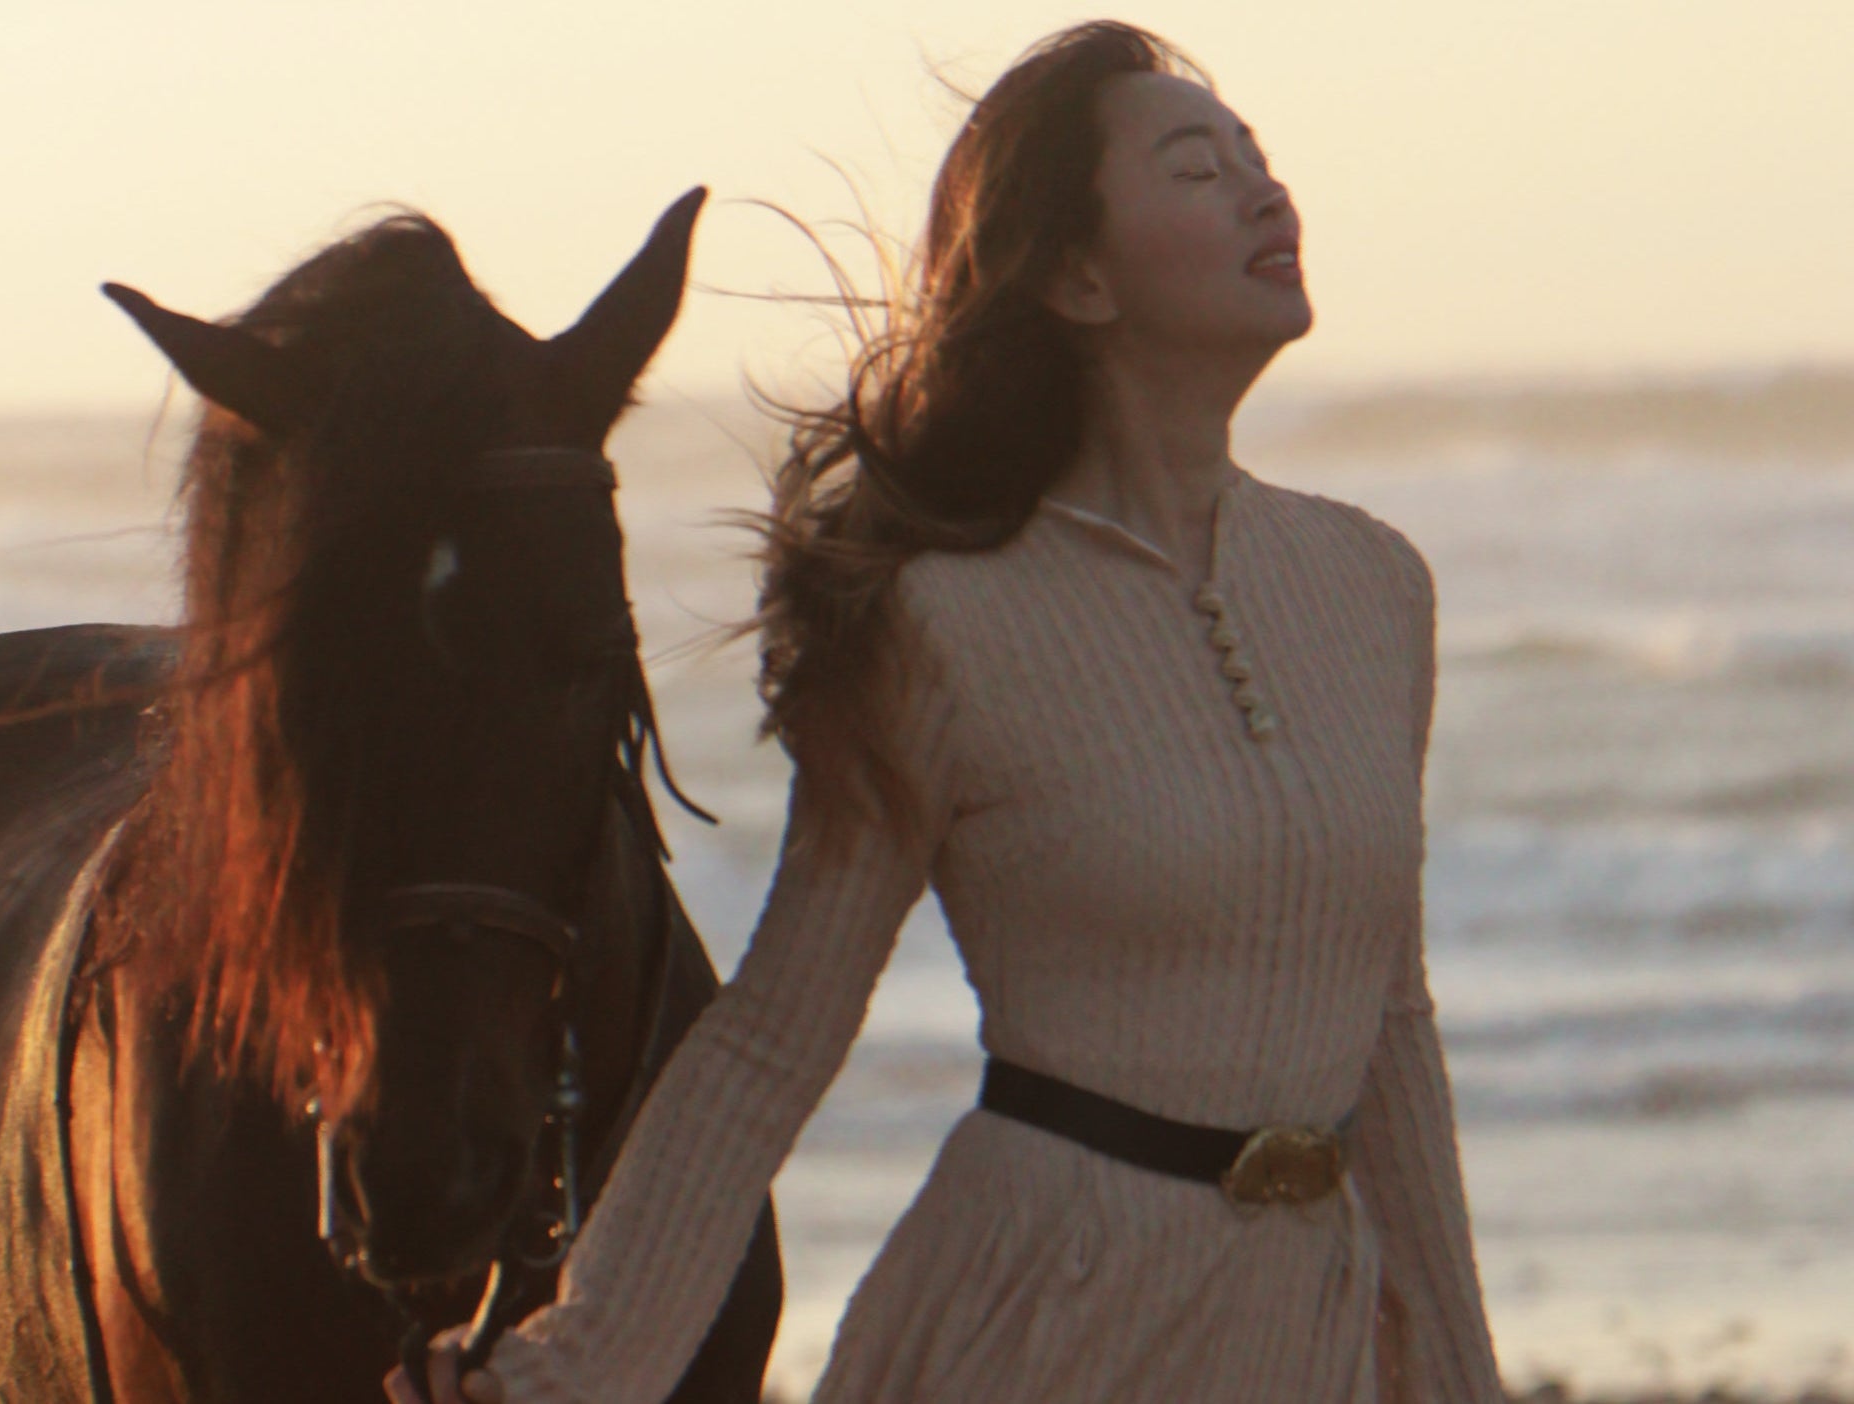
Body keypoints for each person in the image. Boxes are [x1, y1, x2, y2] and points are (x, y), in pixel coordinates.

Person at [389, 19, 1505, 1404]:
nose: (1266, 194)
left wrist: (1461, 1376)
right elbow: (770, 1046)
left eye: (1259, 161)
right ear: (1079, 277)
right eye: (1196, 168)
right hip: (1043, 1318)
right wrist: (580, 1369)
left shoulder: (1373, 585)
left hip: (1306, 1328)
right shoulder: (940, 620)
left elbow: (1388, 1027)